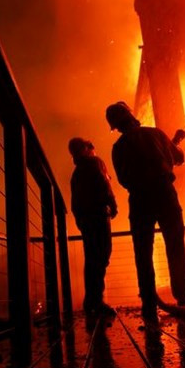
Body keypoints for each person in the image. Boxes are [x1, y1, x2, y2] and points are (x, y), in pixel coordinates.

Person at [104, 101, 185, 317]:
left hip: (140, 199)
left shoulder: (119, 148)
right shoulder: (156, 134)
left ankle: (148, 301)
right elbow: (178, 158)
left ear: (116, 126)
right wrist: (175, 144)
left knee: (143, 252)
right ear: (131, 117)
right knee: (175, 245)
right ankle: (182, 297)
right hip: (165, 194)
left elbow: (123, 179)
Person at [68, 136, 118, 317]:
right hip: (98, 216)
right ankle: (96, 301)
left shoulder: (76, 173)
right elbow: (104, 183)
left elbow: (75, 202)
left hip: (87, 221)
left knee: (91, 259)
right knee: (102, 255)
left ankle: (91, 301)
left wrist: (80, 221)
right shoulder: (94, 162)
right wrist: (113, 204)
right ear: (86, 148)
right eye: (91, 146)